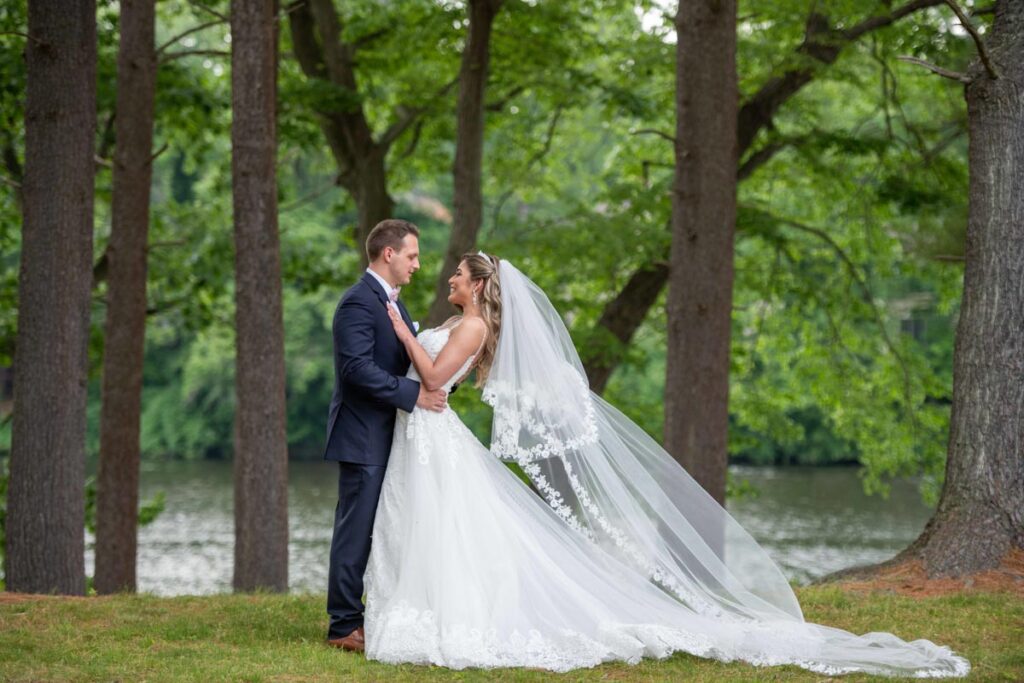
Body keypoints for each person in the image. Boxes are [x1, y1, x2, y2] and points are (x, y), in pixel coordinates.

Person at [359, 252, 970, 677]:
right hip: (425, 432)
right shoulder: (459, 321)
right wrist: (410, 333)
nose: (448, 281)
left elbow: (435, 376)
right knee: (434, 524)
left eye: (457, 277)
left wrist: (401, 331)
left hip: (435, 431)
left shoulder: (471, 326)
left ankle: (448, 615)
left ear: (477, 285)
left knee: (449, 524)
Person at [323, 219, 447, 651]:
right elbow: (355, 370)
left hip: (388, 434)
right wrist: (415, 395)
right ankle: (342, 625)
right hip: (362, 436)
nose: (418, 264)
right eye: (412, 255)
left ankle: (372, 615)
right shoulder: (359, 303)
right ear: (388, 254)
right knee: (355, 530)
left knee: (383, 528)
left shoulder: (392, 302)